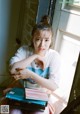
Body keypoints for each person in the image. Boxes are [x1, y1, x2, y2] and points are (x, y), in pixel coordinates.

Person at [9, 15, 61, 114]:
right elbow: (12, 70)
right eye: (38, 39)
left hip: (41, 98)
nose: (42, 45)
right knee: (10, 111)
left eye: (46, 40)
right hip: (20, 94)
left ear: (51, 41)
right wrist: (35, 56)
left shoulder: (54, 56)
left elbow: (53, 86)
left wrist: (30, 74)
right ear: (32, 38)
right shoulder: (24, 50)